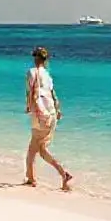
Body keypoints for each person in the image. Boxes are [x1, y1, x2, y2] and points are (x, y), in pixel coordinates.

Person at [24, 46, 73, 191]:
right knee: (34, 148)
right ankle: (31, 178)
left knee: (40, 149)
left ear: (35, 58)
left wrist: (28, 107)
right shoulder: (47, 75)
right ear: (45, 60)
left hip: (40, 114)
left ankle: (63, 174)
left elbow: (30, 93)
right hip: (51, 113)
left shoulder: (31, 73)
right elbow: (53, 95)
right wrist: (58, 110)